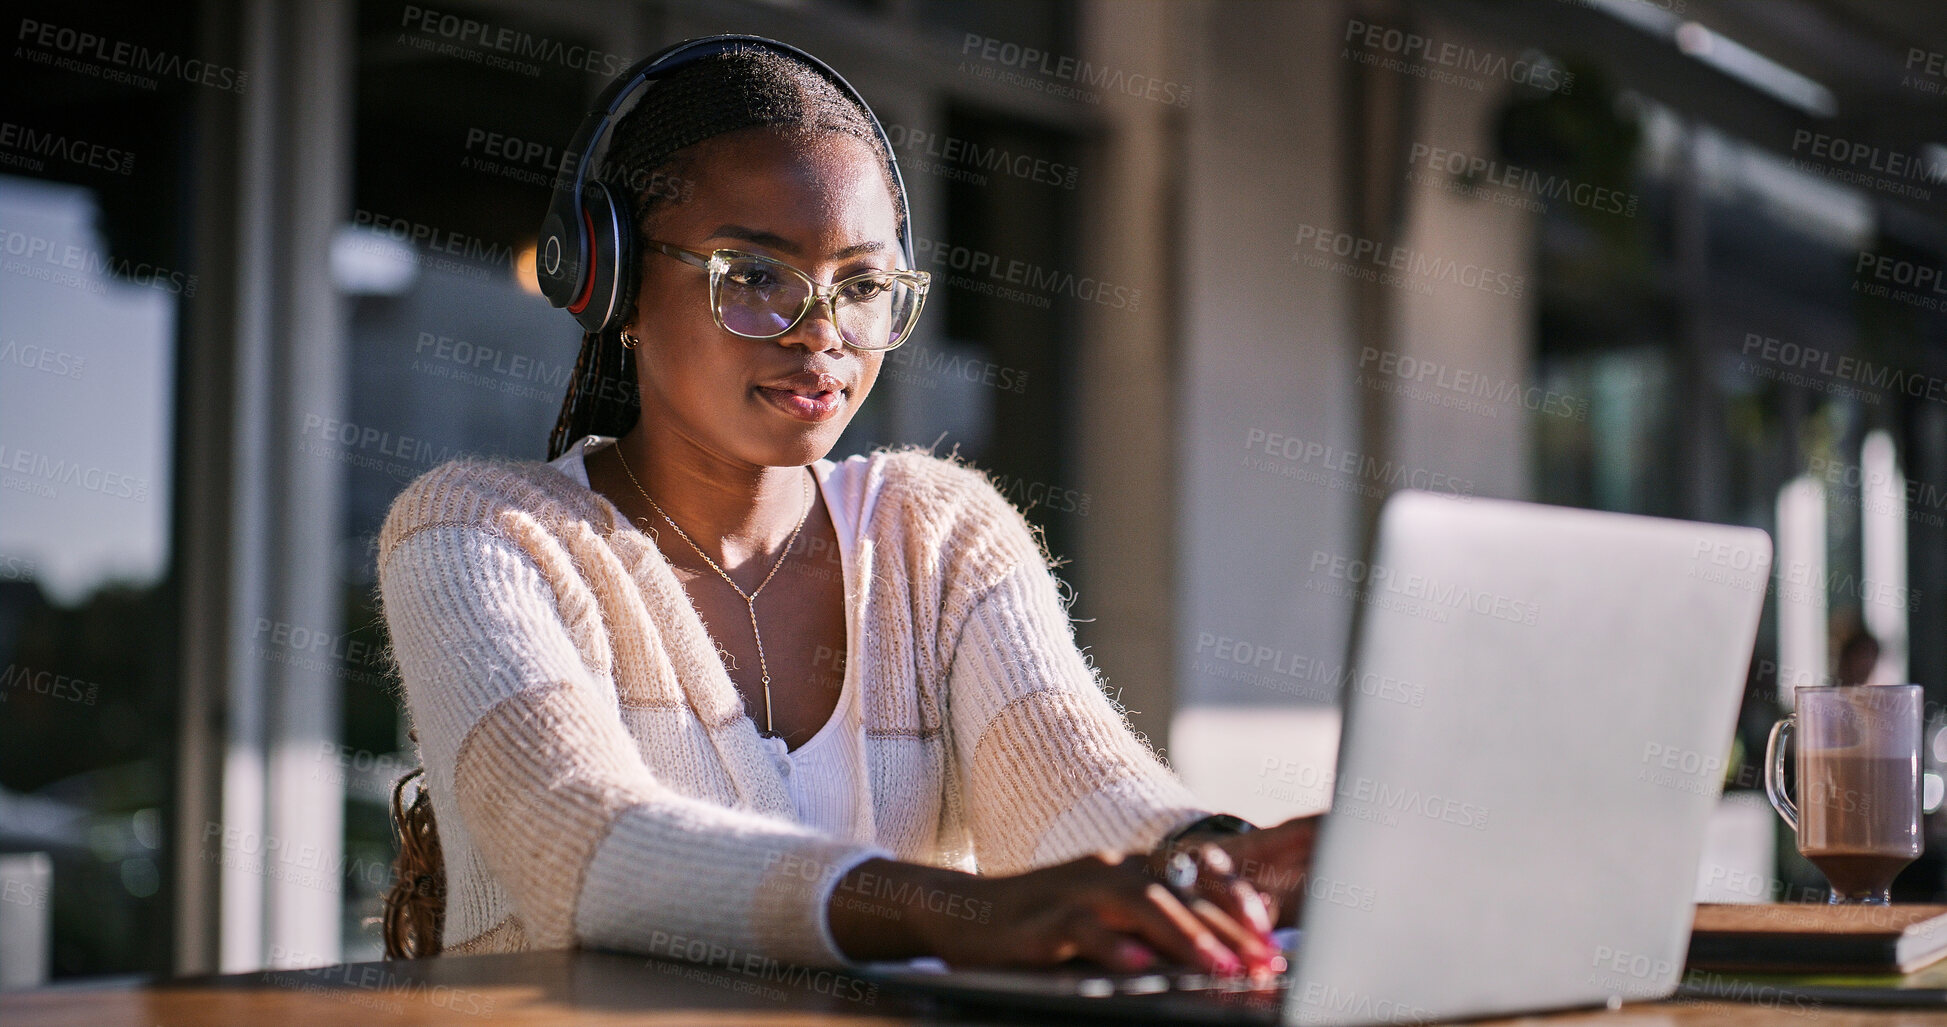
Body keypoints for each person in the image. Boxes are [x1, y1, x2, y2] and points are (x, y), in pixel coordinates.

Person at [377, 39, 1318, 974]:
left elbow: (1076, 789)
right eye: (753, 275)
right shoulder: (475, 537)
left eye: (862, 285)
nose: (822, 334)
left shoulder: (937, 533)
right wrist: (950, 909)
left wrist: (1225, 866)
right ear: (608, 278)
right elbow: (584, 851)